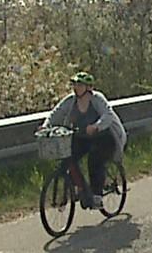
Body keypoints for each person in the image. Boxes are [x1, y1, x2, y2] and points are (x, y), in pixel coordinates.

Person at [44, 71, 126, 208]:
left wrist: (96, 126)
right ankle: (82, 188)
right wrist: (45, 126)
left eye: (80, 85)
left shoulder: (97, 99)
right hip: (83, 137)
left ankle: (97, 196)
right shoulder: (71, 100)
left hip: (105, 137)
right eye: (75, 85)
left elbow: (108, 114)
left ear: (88, 88)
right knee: (68, 157)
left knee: (94, 160)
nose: (76, 88)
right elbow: (56, 113)